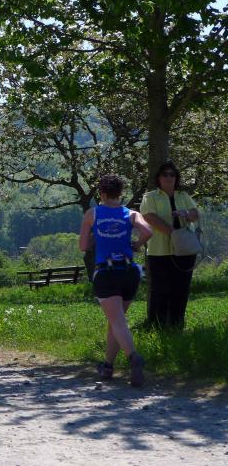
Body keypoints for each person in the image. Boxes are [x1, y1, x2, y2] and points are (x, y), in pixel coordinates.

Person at [79, 174, 153, 387]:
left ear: (101, 194)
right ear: (120, 193)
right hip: (129, 272)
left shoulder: (92, 213)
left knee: (118, 322)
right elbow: (148, 231)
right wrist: (136, 244)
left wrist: (97, 236)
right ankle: (108, 366)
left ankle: (134, 357)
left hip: (107, 272)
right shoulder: (131, 214)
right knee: (116, 321)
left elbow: (83, 246)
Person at [139, 161, 199, 329]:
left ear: (176, 178)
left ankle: (177, 324)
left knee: (181, 289)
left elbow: (195, 214)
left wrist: (186, 213)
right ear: (158, 178)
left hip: (185, 251)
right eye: (165, 174)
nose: (168, 177)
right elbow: (149, 217)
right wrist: (173, 233)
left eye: (172, 174)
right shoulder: (150, 197)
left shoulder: (183, 196)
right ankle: (157, 325)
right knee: (160, 290)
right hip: (159, 252)